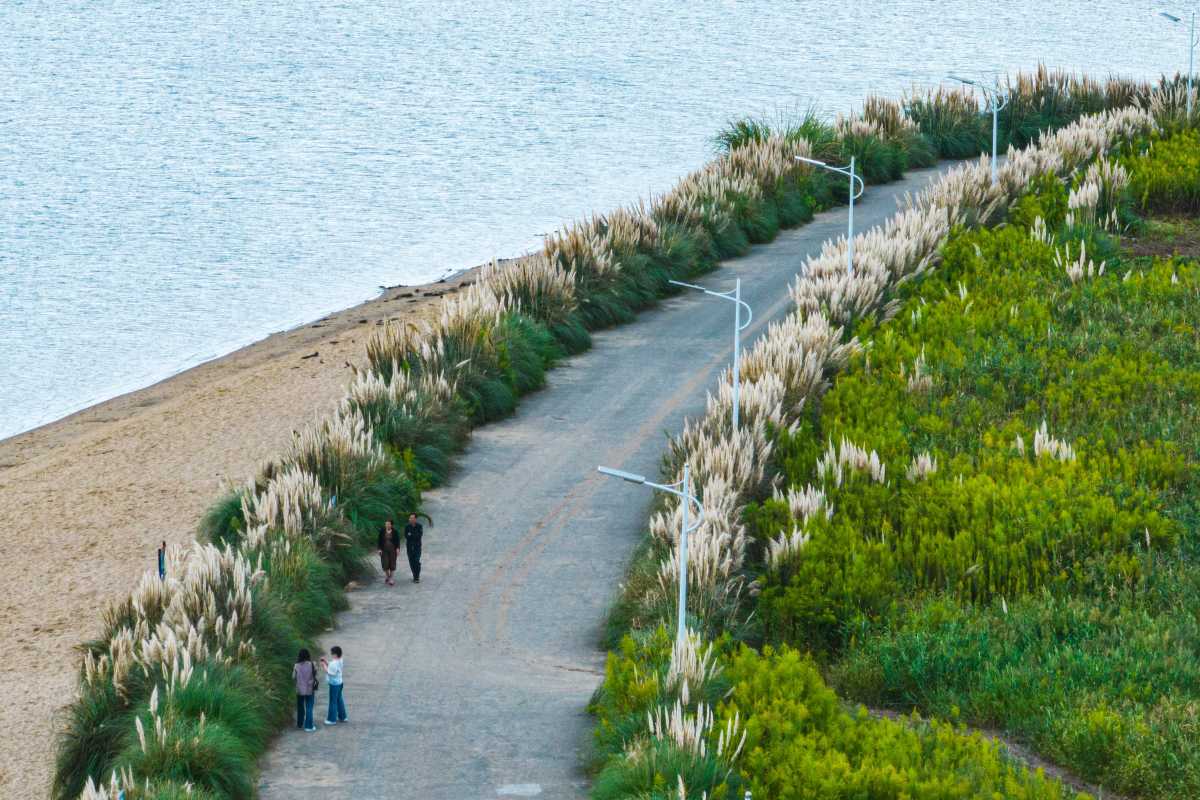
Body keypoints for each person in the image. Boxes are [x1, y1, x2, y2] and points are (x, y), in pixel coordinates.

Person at [321, 646, 347, 725]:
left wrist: (323, 665)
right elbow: (333, 667)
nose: (331, 654)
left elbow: (330, 672)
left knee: (333, 702)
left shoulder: (333, 663)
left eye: (332, 653)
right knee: (339, 700)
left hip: (334, 684)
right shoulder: (340, 660)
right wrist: (326, 662)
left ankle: (331, 719)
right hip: (340, 683)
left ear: (335, 654)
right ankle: (343, 717)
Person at [293, 649, 318, 731]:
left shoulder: (296, 665)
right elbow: (315, 673)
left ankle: (300, 724)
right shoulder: (312, 664)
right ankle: (309, 726)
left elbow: (293, 677)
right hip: (310, 689)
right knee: (309, 706)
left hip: (299, 689)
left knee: (300, 707)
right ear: (308, 655)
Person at [378, 519, 399, 586]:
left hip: (392, 549)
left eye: (388, 524)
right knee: (385, 563)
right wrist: (379, 549)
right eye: (386, 524)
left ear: (391, 525)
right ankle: (387, 576)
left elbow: (397, 541)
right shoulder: (382, 531)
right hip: (384, 550)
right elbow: (379, 541)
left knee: (392, 563)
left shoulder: (395, 531)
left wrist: (398, 548)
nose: (387, 525)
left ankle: (391, 578)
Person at [404, 513, 424, 583]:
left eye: (412, 518)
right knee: (411, 561)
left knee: (417, 561)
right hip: (409, 547)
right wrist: (412, 535)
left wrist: (411, 535)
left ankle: (417, 577)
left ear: (415, 519)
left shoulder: (419, 526)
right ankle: (414, 575)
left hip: (417, 546)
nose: (411, 519)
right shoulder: (407, 526)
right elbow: (406, 536)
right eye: (410, 518)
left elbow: (419, 536)